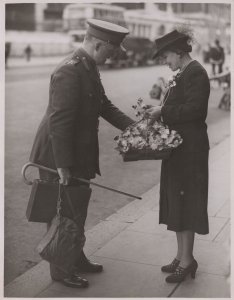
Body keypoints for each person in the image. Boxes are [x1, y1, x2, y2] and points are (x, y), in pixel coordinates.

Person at [29, 19, 135, 288]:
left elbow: (105, 106)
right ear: (98, 44)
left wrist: (136, 128)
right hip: (58, 153)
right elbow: (60, 122)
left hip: (78, 151)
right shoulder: (70, 70)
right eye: (110, 52)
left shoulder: (88, 66)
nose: (111, 57)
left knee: (77, 208)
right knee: (63, 212)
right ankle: (62, 270)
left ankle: (75, 255)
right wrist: (63, 165)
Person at [145, 29, 210, 283]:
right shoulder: (182, 73)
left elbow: (195, 111)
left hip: (190, 150)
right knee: (177, 201)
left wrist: (162, 111)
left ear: (179, 52)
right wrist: (160, 110)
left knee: (187, 202)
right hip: (178, 148)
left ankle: (187, 260)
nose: (165, 61)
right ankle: (181, 255)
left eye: (166, 56)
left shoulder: (196, 73)